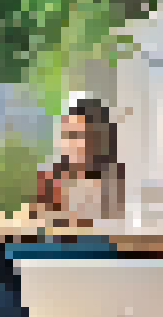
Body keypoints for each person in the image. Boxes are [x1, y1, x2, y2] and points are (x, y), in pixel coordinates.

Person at [35, 97, 124, 227]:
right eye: (64, 134)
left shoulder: (113, 182)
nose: (65, 143)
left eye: (74, 135)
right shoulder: (51, 178)